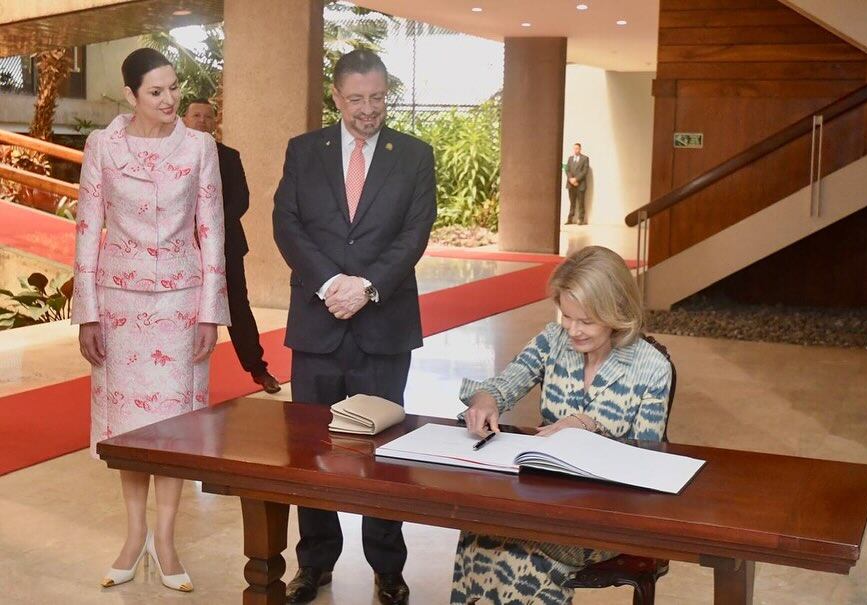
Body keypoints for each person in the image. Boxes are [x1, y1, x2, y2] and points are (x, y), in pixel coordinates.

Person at [273, 49, 436, 605]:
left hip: (383, 326)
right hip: (318, 325)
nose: (369, 110)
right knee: (312, 447)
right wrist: (328, 286)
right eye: (358, 99)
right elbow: (287, 224)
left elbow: (414, 234)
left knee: (383, 452)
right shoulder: (304, 151)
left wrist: (365, 288)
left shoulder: (414, 155)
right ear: (337, 98)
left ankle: (388, 568)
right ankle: (315, 564)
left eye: (379, 98)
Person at [71, 48, 230, 593]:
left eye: (173, 88)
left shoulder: (201, 146)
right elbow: (88, 228)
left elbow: (212, 230)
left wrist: (211, 312)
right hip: (118, 307)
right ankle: (133, 535)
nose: (170, 100)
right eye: (156, 92)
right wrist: (86, 312)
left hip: (181, 306)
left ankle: (166, 539)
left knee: (174, 428)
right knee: (128, 429)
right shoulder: (102, 146)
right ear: (132, 95)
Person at [453, 246, 672, 605]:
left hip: (604, 515)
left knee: (523, 557)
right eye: (566, 316)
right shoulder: (553, 340)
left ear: (617, 311)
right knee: (478, 530)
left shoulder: (650, 368)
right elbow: (506, 382)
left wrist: (590, 428)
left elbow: (648, 458)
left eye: (585, 321)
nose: (572, 330)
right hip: (542, 500)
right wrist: (486, 399)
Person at [182, 98, 281, 394]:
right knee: (182, 309)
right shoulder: (171, 156)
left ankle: (258, 369)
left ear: (215, 122)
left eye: (207, 116)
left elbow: (241, 200)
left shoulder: (229, 156)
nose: (202, 120)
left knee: (237, 307)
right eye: (196, 115)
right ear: (184, 119)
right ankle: (178, 375)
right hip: (183, 248)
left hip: (226, 245)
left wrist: (209, 227)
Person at [565, 142, 589, 225]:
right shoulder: (570, 158)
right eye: (574, 148)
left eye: (577, 148)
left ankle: (580, 219)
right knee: (572, 203)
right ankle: (570, 219)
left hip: (580, 185)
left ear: (580, 149)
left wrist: (576, 179)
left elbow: (585, 171)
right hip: (571, 185)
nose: (576, 150)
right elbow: (566, 169)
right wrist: (571, 179)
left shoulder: (585, 158)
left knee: (581, 203)